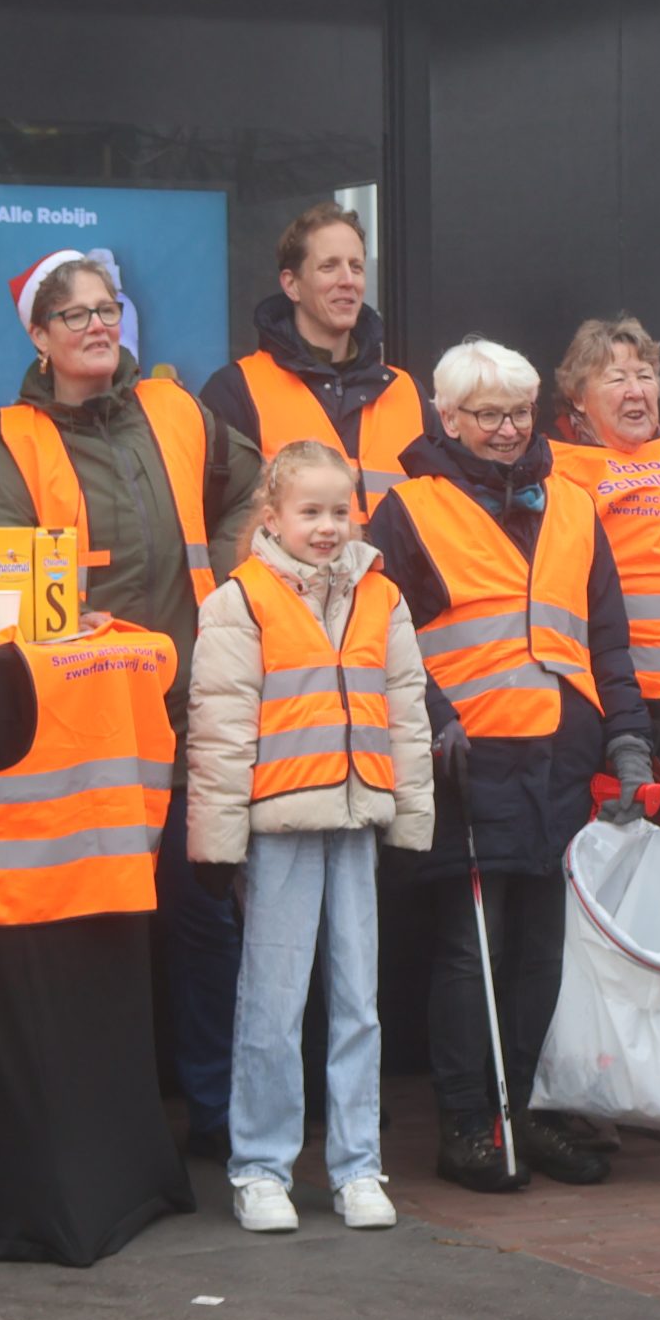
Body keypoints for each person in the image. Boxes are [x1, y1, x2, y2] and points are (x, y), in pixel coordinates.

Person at [0, 249, 264, 1156]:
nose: (98, 326)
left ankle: (216, 1112)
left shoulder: (176, 408)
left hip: (188, 708)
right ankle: (118, 1124)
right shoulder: (10, 435)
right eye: (76, 315)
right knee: (100, 927)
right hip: (85, 724)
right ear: (40, 336)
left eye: (108, 308)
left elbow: (256, 490)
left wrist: (233, 576)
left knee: (201, 918)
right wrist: (65, 617)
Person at [367, 336, 653, 1193]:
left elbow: (607, 639)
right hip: (470, 756)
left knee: (540, 950)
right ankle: (469, 1125)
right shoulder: (406, 510)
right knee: (472, 951)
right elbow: (381, 636)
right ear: (448, 418)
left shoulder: (572, 504)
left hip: (560, 755)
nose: (505, 429)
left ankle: (524, 1113)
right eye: (486, 414)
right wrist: (431, 717)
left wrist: (628, 739)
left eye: (518, 412)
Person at [186, 442, 434, 1233]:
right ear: (272, 516)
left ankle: (358, 1166)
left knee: (360, 1002)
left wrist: (412, 818)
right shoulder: (241, 599)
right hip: (281, 825)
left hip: (356, 821)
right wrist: (217, 842)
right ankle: (261, 1169)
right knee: (273, 1001)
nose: (327, 526)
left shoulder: (382, 595)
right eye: (310, 511)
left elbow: (408, 712)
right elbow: (219, 731)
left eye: (340, 510)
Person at [548, 315, 660, 824]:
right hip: (601, 711)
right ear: (578, 397)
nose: (636, 391)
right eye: (616, 378)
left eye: (645, 376)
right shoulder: (554, 468)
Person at [199, 204, 430, 518]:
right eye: (329, 267)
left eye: (356, 267)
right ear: (291, 284)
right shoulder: (236, 391)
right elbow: (219, 523)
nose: (348, 280)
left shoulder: (408, 394)